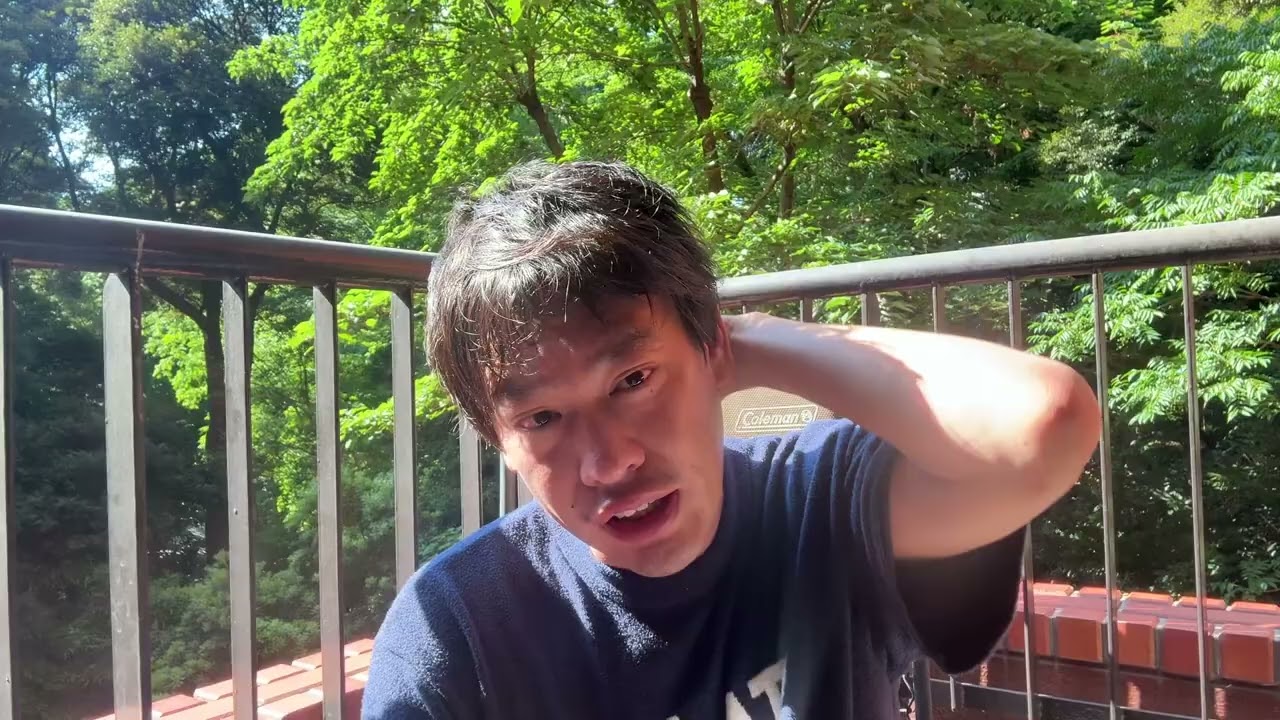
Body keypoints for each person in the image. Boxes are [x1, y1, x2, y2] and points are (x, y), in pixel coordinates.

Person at [362, 160, 1100, 719]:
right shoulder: (457, 632)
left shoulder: (820, 504)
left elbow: (1042, 427)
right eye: (542, 419)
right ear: (496, 438)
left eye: (633, 380)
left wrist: (745, 340)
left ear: (715, 353)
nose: (610, 462)